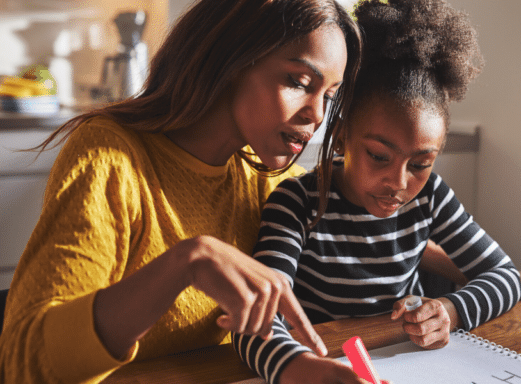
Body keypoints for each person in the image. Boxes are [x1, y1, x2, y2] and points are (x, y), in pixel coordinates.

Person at [0, 0, 362, 383]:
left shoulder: (265, 185)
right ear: (232, 60)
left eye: (329, 95)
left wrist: (429, 307)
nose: (317, 115)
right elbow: (24, 363)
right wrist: (184, 263)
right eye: (300, 83)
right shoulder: (110, 156)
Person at [233, 1, 521, 383]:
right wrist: (301, 368)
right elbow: (255, 324)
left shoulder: (430, 198)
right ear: (342, 137)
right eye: (379, 156)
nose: (399, 182)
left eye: (421, 163)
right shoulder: (296, 204)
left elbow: (504, 276)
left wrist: (450, 311)